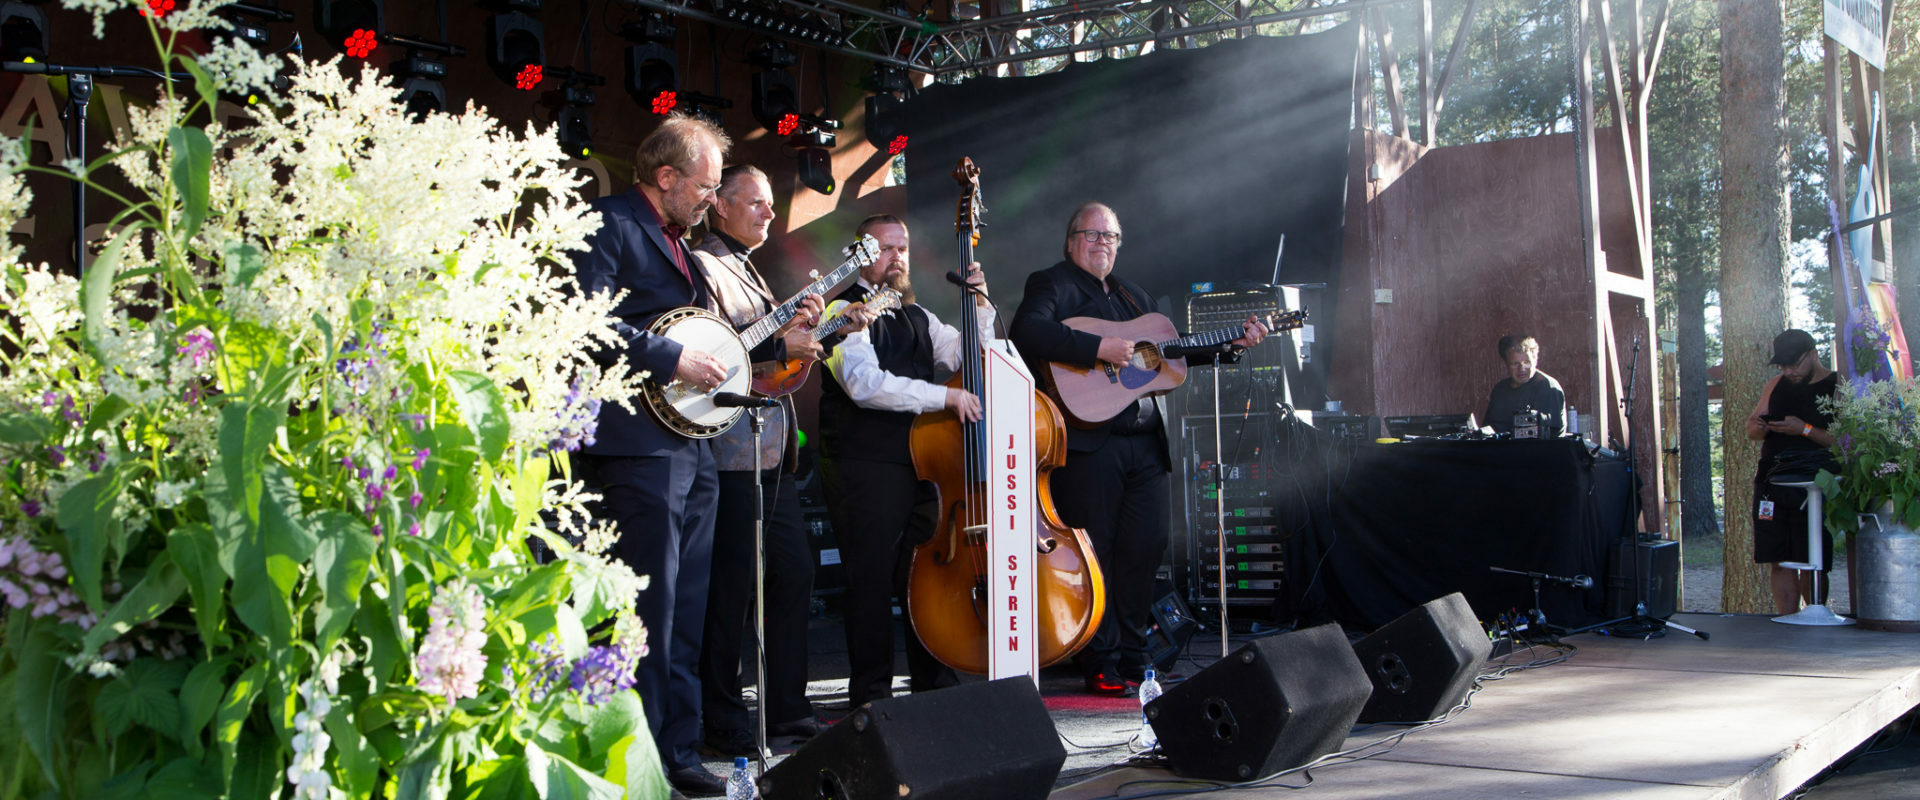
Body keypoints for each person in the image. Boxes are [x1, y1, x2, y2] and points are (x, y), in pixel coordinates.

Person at [1009, 202, 1265, 695]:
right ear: (1070, 241)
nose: (1102, 243)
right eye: (1091, 234)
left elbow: (1171, 353)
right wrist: (1096, 349)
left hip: (1145, 444)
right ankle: (1099, 660)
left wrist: (1232, 345)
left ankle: (1135, 654)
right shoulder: (1052, 284)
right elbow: (1028, 332)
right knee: (1096, 553)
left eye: (1111, 237)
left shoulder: (1134, 296)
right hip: (1089, 444)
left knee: (1145, 549)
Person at [567, 113, 735, 798]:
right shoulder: (610, 223)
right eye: (705, 185)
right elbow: (586, 313)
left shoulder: (682, 242)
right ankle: (640, 763)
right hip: (634, 446)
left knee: (688, 605)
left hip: (687, 444)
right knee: (649, 610)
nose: (711, 199)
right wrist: (669, 355)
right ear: (665, 176)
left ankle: (680, 752)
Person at [817, 214, 987, 707]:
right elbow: (865, 386)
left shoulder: (917, 315)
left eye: (902, 248)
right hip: (862, 464)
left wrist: (977, 302)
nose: (896, 257)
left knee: (924, 578)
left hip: (918, 465)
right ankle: (871, 699)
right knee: (869, 582)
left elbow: (970, 355)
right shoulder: (839, 309)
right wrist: (945, 399)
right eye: (884, 248)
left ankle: (934, 686)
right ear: (861, 254)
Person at [689, 165, 828, 755]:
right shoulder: (702, 264)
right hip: (728, 453)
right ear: (719, 205)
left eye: (772, 205)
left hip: (770, 454)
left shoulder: (746, 266)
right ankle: (721, 720)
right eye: (758, 202)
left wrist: (805, 334)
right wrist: (779, 342)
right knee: (729, 593)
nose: (771, 213)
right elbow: (713, 351)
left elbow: (768, 369)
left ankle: (787, 709)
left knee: (793, 574)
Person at [1744, 328, 1838, 615]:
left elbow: (1846, 442)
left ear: (1813, 355)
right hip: (1773, 478)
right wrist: (1758, 427)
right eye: (1783, 366)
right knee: (1778, 556)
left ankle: (1816, 614)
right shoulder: (1775, 385)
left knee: (1813, 554)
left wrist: (1805, 429)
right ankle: (1787, 620)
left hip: (1815, 480)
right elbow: (1751, 429)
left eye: (1794, 364)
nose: (1789, 371)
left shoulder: (1836, 384)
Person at [1484, 333, 1566, 436]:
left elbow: (1550, 437)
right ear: (1506, 364)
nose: (1522, 369)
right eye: (1515, 364)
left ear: (1535, 360)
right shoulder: (1499, 390)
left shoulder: (1548, 388)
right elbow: (1487, 430)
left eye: (1526, 362)